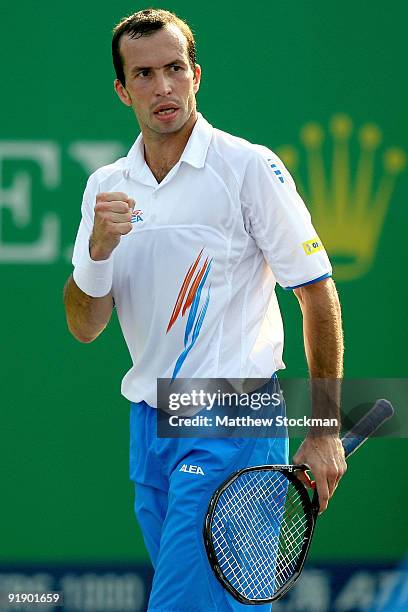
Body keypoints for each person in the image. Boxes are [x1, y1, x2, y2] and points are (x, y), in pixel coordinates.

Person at [63, 8, 346, 611]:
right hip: (151, 428)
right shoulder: (105, 186)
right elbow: (84, 326)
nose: (163, 87)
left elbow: (316, 292)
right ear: (122, 90)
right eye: (144, 74)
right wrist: (96, 252)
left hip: (233, 421)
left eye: (174, 69)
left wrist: (323, 428)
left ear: (196, 75)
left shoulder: (248, 168)